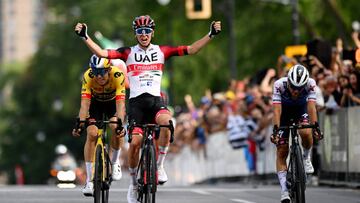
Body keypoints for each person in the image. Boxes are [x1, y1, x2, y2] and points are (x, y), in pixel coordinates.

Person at [74, 15, 221, 203]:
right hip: (136, 105)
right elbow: (102, 53)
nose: (144, 35)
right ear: (135, 34)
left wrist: (211, 34)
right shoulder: (127, 52)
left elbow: (191, 49)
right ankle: (134, 184)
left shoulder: (162, 51)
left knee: (167, 125)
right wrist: (85, 37)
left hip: (156, 101)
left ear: (152, 32)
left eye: (147, 31)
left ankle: (159, 166)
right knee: (135, 143)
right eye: (140, 32)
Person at [72, 54, 126, 196]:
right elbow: (84, 105)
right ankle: (89, 181)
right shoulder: (88, 76)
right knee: (91, 134)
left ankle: (115, 163)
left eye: (102, 72)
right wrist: (80, 124)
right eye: (96, 72)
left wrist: (120, 124)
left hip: (113, 104)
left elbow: (121, 104)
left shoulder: (117, 75)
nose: (99, 76)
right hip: (95, 105)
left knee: (115, 127)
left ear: (109, 70)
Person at [271, 64, 323, 203]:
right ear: (288, 81)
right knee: (282, 151)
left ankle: (306, 158)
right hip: (284, 114)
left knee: (306, 132)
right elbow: (276, 111)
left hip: (301, 110)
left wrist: (316, 127)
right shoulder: (278, 85)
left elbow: (312, 107)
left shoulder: (311, 84)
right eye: (293, 87)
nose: (295, 91)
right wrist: (275, 130)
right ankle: (284, 191)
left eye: (299, 89)